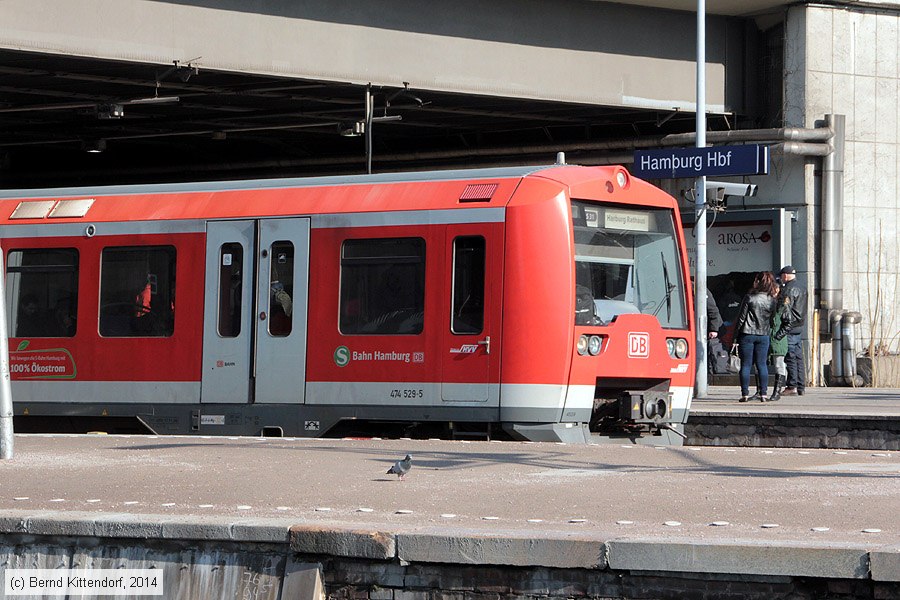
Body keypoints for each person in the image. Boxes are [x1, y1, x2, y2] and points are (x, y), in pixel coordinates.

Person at [734, 271, 778, 402]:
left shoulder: (750, 298)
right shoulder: (772, 301)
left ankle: (745, 394)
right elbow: (773, 318)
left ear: (757, 282)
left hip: (747, 333)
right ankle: (763, 394)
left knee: (746, 364)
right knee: (762, 364)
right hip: (763, 334)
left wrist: (736, 336)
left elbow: (741, 318)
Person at [777, 265, 808, 396]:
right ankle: (801, 386)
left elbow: (786, 310)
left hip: (789, 327)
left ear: (785, 275)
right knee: (798, 358)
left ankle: (792, 386)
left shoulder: (787, 290)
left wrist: (782, 329)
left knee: (790, 358)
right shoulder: (802, 287)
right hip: (799, 326)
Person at [768, 284, 791, 402]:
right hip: (767, 337)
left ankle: (776, 392)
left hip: (778, 339)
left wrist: (778, 336)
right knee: (760, 364)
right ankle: (760, 391)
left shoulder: (783, 305)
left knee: (778, 365)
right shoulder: (767, 302)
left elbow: (788, 323)